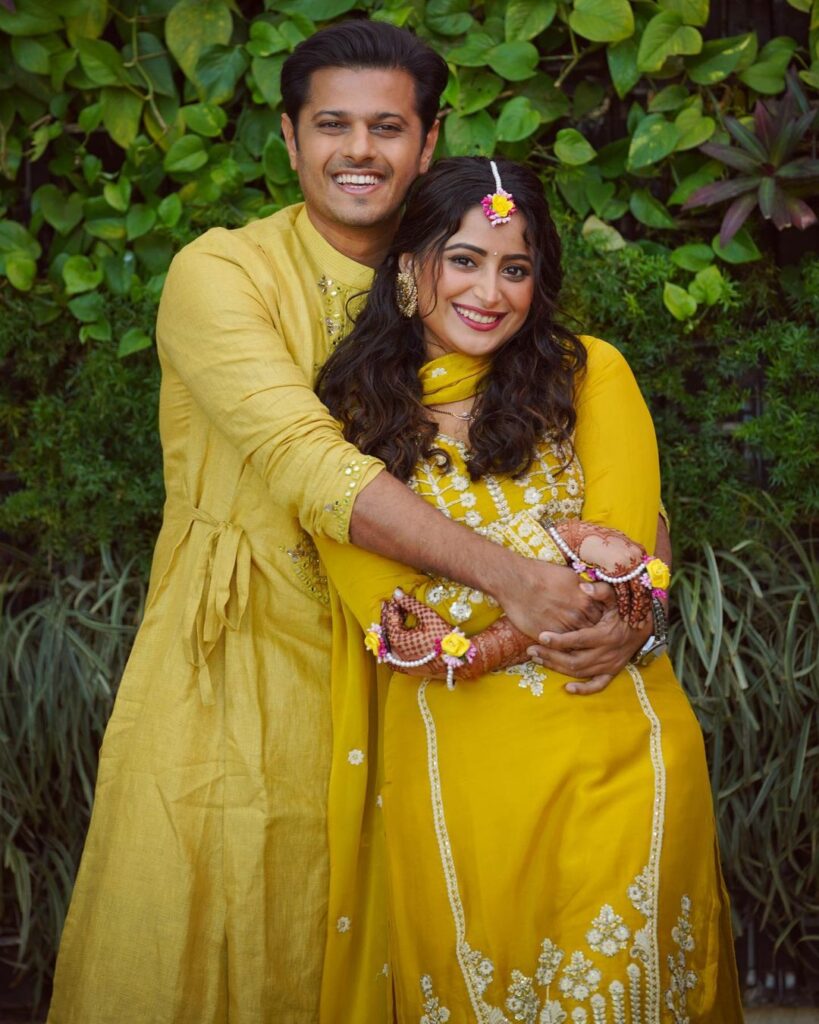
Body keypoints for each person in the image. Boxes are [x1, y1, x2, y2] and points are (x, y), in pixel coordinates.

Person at [47, 21, 668, 1024]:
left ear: (427, 146)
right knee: (221, 928)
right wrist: (520, 585)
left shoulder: (466, 278)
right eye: (331, 124)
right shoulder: (221, 275)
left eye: (387, 126)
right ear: (289, 139)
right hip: (252, 661)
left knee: (429, 942)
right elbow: (310, 463)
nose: (359, 150)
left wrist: (632, 599)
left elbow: (591, 459)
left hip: (439, 676)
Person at [313, 157, 744, 1022]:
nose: (490, 290)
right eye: (463, 259)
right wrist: (551, 593)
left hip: (616, 749)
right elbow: (403, 633)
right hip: (459, 776)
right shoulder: (341, 430)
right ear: (407, 269)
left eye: (515, 268)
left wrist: (580, 604)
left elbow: (623, 570)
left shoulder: (588, 377)